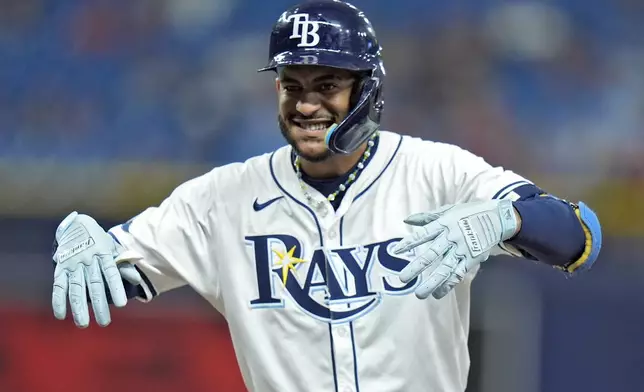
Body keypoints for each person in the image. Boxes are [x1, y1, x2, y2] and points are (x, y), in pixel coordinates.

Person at [50, 1, 602, 391]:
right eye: (293, 85)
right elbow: (108, 272)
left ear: (368, 91)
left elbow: (582, 237)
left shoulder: (437, 171)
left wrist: (503, 218)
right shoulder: (222, 197)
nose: (307, 104)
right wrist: (83, 242)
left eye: (328, 86)